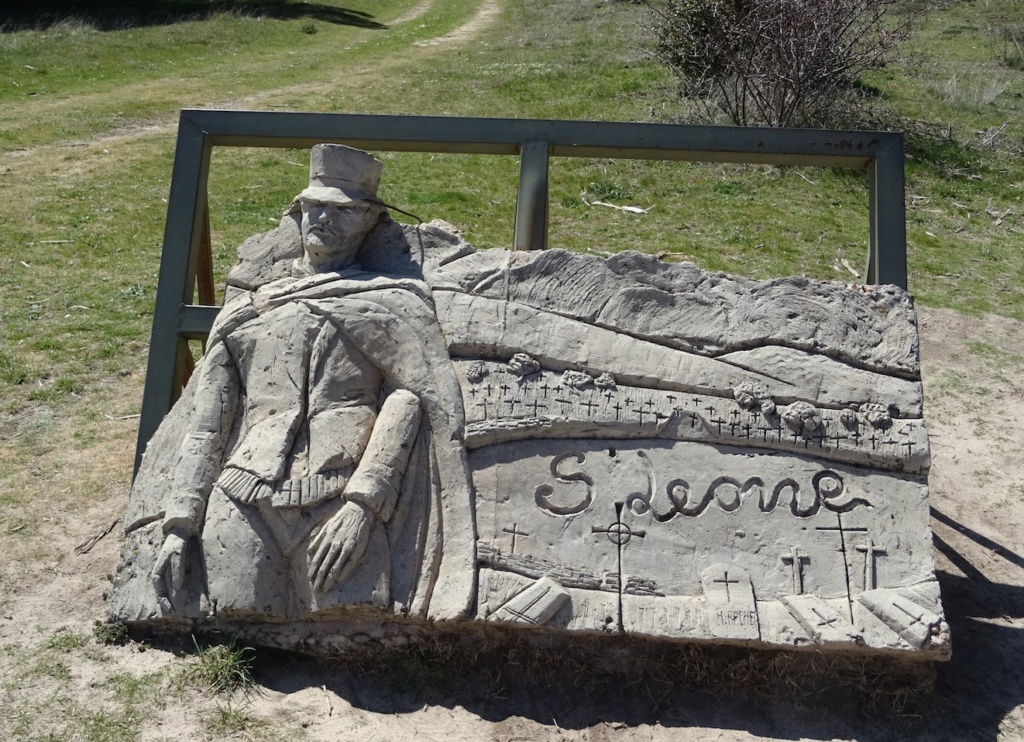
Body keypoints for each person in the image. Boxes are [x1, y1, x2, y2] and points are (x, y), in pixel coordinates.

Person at [148, 145, 476, 622]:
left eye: (342, 210)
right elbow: (206, 426)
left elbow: (413, 399)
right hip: (240, 498)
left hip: (340, 498)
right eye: (313, 207)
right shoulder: (250, 312)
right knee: (238, 612)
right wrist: (180, 523)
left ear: (369, 220)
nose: (323, 219)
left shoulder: (392, 302)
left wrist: (364, 504)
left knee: (352, 616)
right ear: (297, 212)